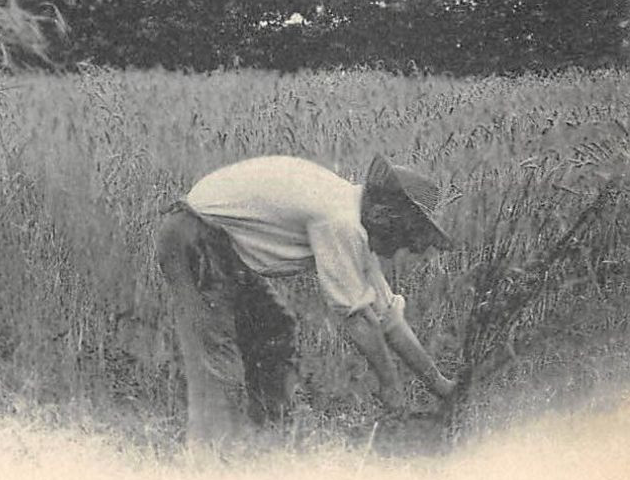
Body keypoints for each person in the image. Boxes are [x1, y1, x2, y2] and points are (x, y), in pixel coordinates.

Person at [157, 154, 458, 450]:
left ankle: (269, 438)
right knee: (217, 360)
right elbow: (357, 318)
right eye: (406, 236)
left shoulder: (353, 214)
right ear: (382, 215)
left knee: (274, 329)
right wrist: (391, 388)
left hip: (222, 242)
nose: (403, 248)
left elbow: (388, 317)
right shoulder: (341, 221)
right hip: (194, 235)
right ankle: (215, 461)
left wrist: (441, 386)